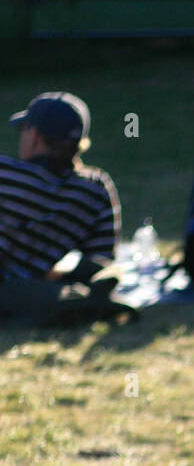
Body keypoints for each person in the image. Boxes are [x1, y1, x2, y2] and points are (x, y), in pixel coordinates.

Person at [0, 91, 122, 323]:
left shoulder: (5, 174)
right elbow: (100, 259)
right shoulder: (96, 187)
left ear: (34, 136)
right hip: (33, 288)